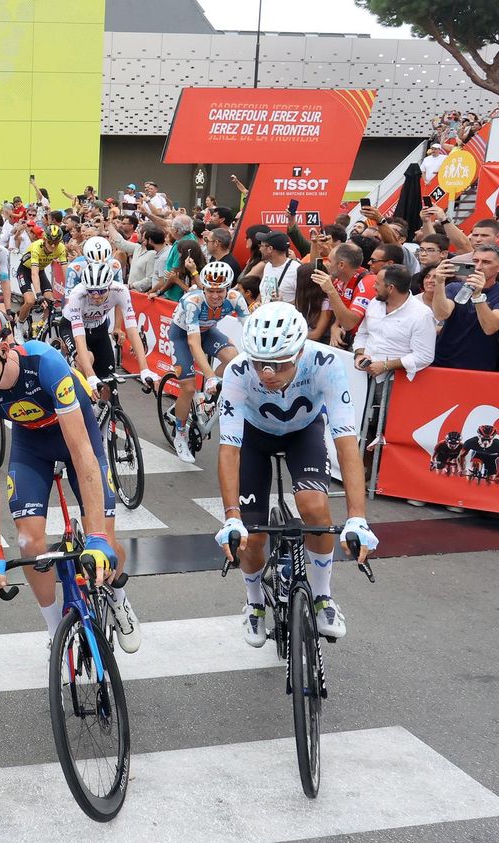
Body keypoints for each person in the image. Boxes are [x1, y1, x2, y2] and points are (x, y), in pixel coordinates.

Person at [0, 306, 141, 655]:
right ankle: (55, 630)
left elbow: (82, 455)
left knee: (106, 542)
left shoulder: (45, 363)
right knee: (28, 542)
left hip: (76, 435)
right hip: (31, 444)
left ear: (4, 348)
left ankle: (119, 596)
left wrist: (95, 537)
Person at [213, 303, 375, 646]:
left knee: (315, 508)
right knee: (252, 537)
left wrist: (357, 518)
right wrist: (231, 518)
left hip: (304, 432)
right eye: (260, 363)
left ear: (301, 350)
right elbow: (229, 449)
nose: (267, 373)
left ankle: (322, 596)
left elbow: (347, 444)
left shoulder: (325, 363)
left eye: (279, 363)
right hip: (253, 438)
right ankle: (255, 601)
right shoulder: (239, 371)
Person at [168, 261, 249, 463]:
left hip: (208, 331)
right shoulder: (193, 301)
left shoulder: (236, 299)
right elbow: (193, 343)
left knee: (235, 361)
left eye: (220, 291)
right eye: (210, 290)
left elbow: (250, 331)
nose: (215, 296)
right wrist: (210, 376)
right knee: (188, 388)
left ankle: (203, 398)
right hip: (182, 335)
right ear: (203, 287)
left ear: (228, 288)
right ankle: (180, 433)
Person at [62, 261, 158, 390]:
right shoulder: (77, 295)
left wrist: (144, 369)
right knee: (87, 360)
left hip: (99, 328)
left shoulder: (120, 290)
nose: (96, 296)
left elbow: (132, 330)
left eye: (101, 291)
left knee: (109, 380)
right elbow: (79, 337)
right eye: (91, 291)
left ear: (109, 286)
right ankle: (82, 397)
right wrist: (90, 376)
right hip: (71, 327)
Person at [430, 245, 499, 371]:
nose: (478, 267)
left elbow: (490, 328)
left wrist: (477, 296)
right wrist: (439, 283)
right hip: (442, 361)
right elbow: (441, 314)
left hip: (479, 365)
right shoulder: (454, 287)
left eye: (486, 262)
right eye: (475, 261)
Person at [353, 267, 436, 379]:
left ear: (391, 288)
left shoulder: (422, 314)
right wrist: (360, 354)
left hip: (396, 382)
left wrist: (386, 365)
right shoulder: (374, 303)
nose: (373, 287)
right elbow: (363, 334)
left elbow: (424, 356)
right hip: (362, 378)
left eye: (377, 284)